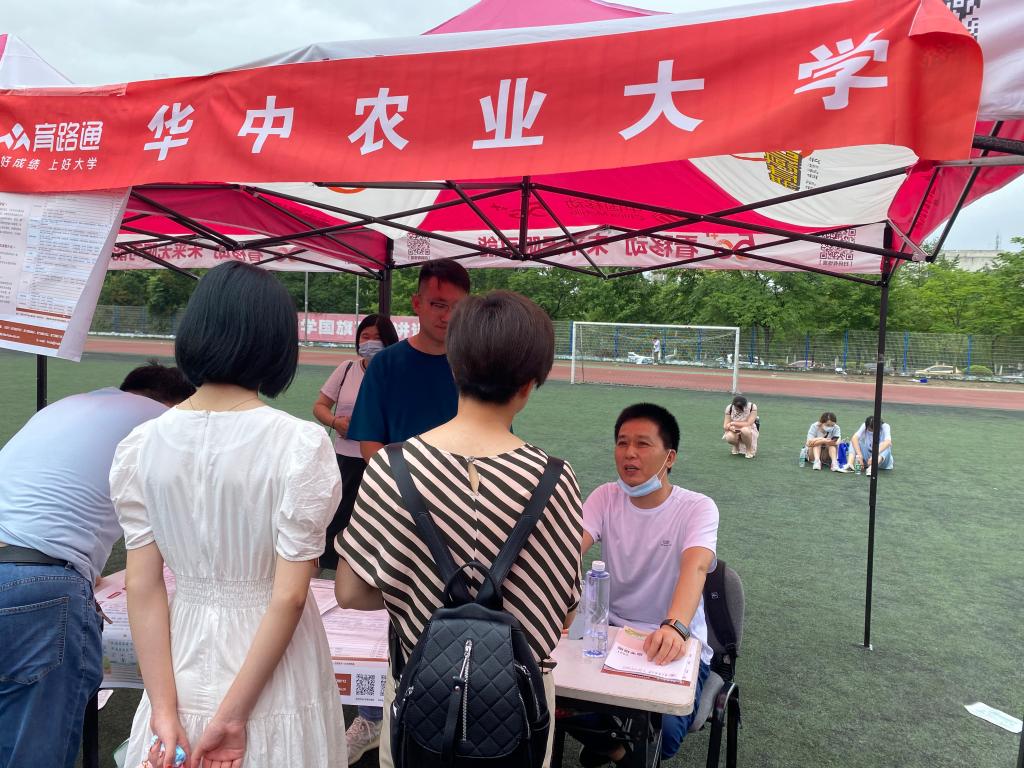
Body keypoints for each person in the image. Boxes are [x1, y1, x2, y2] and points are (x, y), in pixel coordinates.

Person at [110, 262, 347, 768]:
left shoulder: (141, 444)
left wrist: (162, 708)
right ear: (276, 343)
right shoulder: (299, 444)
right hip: (274, 666)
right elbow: (288, 594)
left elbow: (142, 586)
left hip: (179, 652)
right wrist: (234, 716)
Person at [335, 291, 583, 768]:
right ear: (530, 383)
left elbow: (349, 591)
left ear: (454, 366)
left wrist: (413, 587)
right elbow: (564, 611)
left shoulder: (391, 466)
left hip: (419, 690)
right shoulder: (555, 477)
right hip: (518, 703)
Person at [0, 362, 193, 768]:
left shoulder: (67, 407)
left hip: (27, 565)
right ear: (175, 402)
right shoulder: (164, 423)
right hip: (39, 586)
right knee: (35, 750)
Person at [341, 258, 470, 761]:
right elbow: (369, 442)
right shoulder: (388, 365)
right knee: (395, 617)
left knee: (460, 617)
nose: (446, 316)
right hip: (399, 513)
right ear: (416, 304)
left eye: (456, 307)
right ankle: (382, 718)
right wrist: (408, 494)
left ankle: (457, 718)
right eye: (437, 304)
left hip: (465, 516)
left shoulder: (473, 364)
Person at [569, 403, 718, 765]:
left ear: (670, 457)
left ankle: (608, 743)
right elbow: (567, 550)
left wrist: (675, 627)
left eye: (642, 444)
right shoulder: (605, 497)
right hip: (608, 635)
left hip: (671, 641)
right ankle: (618, 750)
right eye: (622, 443)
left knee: (664, 739)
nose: (629, 453)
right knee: (551, 696)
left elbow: (696, 566)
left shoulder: (697, 508)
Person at [312, 313, 399, 569]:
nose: (370, 342)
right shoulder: (347, 368)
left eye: (377, 338)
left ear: (390, 341)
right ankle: (330, 566)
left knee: (377, 518)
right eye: (365, 336)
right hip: (346, 460)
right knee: (338, 516)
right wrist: (335, 421)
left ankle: (372, 570)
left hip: (381, 460)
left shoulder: (398, 372)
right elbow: (320, 406)